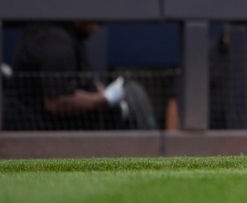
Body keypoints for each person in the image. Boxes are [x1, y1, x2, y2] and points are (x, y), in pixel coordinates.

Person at [7, 22, 154, 131]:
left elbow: (88, 81)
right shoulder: (55, 42)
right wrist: (104, 98)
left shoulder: (74, 39)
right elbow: (57, 101)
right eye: (96, 22)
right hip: (35, 132)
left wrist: (103, 93)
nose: (97, 28)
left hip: (62, 131)